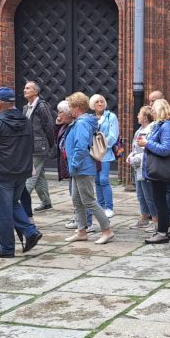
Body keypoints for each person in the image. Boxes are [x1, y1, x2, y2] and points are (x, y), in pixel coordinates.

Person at [0, 87, 41, 258]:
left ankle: (6, 248)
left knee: (3, 211)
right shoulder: (25, 119)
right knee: (13, 204)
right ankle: (30, 232)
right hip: (22, 171)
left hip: (3, 172)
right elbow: (30, 146)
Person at [64, 92, 114, 245]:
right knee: (77, 200)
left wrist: (74, 164)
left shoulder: (82, 123)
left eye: (71, 106)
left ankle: (107, 230)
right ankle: (81, 231)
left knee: (89, 201)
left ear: (77, 107)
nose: (69, 110)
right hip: (78, 168)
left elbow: (81, 146)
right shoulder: (81, 121)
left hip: (82, 167)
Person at [140, 99, 170, 244]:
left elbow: (166, 149)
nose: (151, 112)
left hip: (160, 170)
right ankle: (164, 230)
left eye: (153, 109)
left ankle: (162, 233)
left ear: (160, 110)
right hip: (157, 170)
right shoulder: (161, 126)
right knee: (160, 201)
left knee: (160, 202)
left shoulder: (166, 127)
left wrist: (147, 143)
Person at [23, 80, 56, 213]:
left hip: (38, 146)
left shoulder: (42, 106)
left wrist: (51, 144)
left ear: (36, 92)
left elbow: (49, 126)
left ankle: (19, 203)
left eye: (28, 88)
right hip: (28, 145)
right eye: (25, 88)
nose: (24, 90)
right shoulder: (25, 108)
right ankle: (46, 202)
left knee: (31, 175)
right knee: (39, 175)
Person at [90, 94, 119, 217]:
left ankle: (109, 207)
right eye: (97, 102)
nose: (100, 104)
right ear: (92, 105)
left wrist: (101, 146)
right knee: (97, 180)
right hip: (93, 153)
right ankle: (101, 206)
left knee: (103, 179)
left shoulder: (110, 116)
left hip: (105, 152)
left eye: (102, 101)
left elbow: (113, 135)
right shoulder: (90, 118)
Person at [129, 106, 155, 230]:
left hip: (145, 166)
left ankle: (155, 220)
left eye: (139, 114)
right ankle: (144, 217)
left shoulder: (150, 130)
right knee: (140, 195)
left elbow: (146, 149)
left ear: (145, 117)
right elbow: (136, 147)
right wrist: (131, 155)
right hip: (137, 167)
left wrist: (137, 158)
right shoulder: (139, 130)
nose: (137, 116)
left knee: (149, 195)